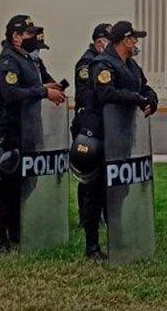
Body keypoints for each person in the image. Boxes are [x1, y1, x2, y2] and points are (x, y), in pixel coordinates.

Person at [0, 15, 67, 252]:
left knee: (25, 183)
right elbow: (11, 93)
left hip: (30, 130)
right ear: (16, 36)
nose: (34, 39)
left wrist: (49, 87)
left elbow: (33, 88)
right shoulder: (7, 62)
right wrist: (43, 92)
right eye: (29, 34)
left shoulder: (27, 60)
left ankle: (16, 231)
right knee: (5, 186)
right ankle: (0, 238)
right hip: (10, 131)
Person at [87, 21, 158, 260]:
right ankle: (92, 245)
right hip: (102, 135)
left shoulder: (130, 65)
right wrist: (136, 98)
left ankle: (117, 234)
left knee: (121, 188)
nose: (136, 43)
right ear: (124, 40)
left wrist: (151, 98)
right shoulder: (102, 64)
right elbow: (107, 93)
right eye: (134, 39)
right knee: (96, 191)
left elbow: (144, 86)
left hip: (123, 135)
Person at [71, 23, 110, 247]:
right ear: (98, 42)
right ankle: (86, 217)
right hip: (87, 126)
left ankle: (99, 215)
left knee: (100, 176)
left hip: (102, 127)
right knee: (88, 174)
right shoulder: (87, 64)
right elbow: (89, 95)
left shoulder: (105, 63)